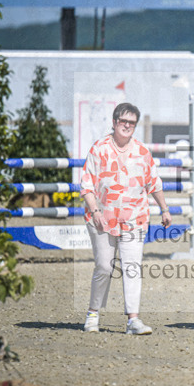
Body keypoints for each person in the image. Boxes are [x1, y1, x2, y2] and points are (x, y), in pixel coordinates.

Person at [81, 103, 173, 335]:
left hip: (135, 218)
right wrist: (96, 211)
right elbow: (86, 186)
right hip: (102, 218)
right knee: (104, 266)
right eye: (123, 121)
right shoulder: (99, 148)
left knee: (132, 267)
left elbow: (154, 183)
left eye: (131, 122)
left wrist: (164, 209)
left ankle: (133, 319)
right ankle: (93, 314)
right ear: (114, 122)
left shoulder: (142, 152)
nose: (127, 125)